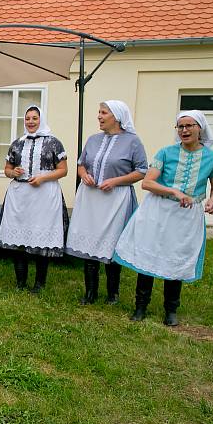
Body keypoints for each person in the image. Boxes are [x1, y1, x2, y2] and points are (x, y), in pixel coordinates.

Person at [114, 110, 213, 326]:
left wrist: (212, 201)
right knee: (150, 255)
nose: (184, 130)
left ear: (200, 128)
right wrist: (174, 192)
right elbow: (147, 183)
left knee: (176, 257)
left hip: (186, 216)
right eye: (180, 126)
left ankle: (171, 310)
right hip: (159, 210)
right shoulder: (166, 153)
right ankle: (140, 307)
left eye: (189, 126)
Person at [66, 101, 147, 305]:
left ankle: (113, 293)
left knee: (112, 243)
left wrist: (115, 181)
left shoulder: (133, 142)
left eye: (104, 113)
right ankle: (90, 292)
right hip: (91, 197)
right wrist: (84, 175)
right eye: (99, 112)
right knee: (90, 240)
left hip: (116, 199)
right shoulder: (93, 140)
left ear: (117, 116)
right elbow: (81, 165)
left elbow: (142, 171)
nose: (99, 117)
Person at [0, 105, 68, 294]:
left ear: (41, 119)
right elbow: (7, 169)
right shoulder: (17, 143)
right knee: (19, 237)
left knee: (40, 237)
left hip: (44, 194)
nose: (30, 122)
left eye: (34, 118)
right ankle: (20, 282)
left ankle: (39, 284)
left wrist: (43, 177)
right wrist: (13, 171)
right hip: (20, 195)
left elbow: (63, 170)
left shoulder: (54, 143)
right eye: (27, 118)